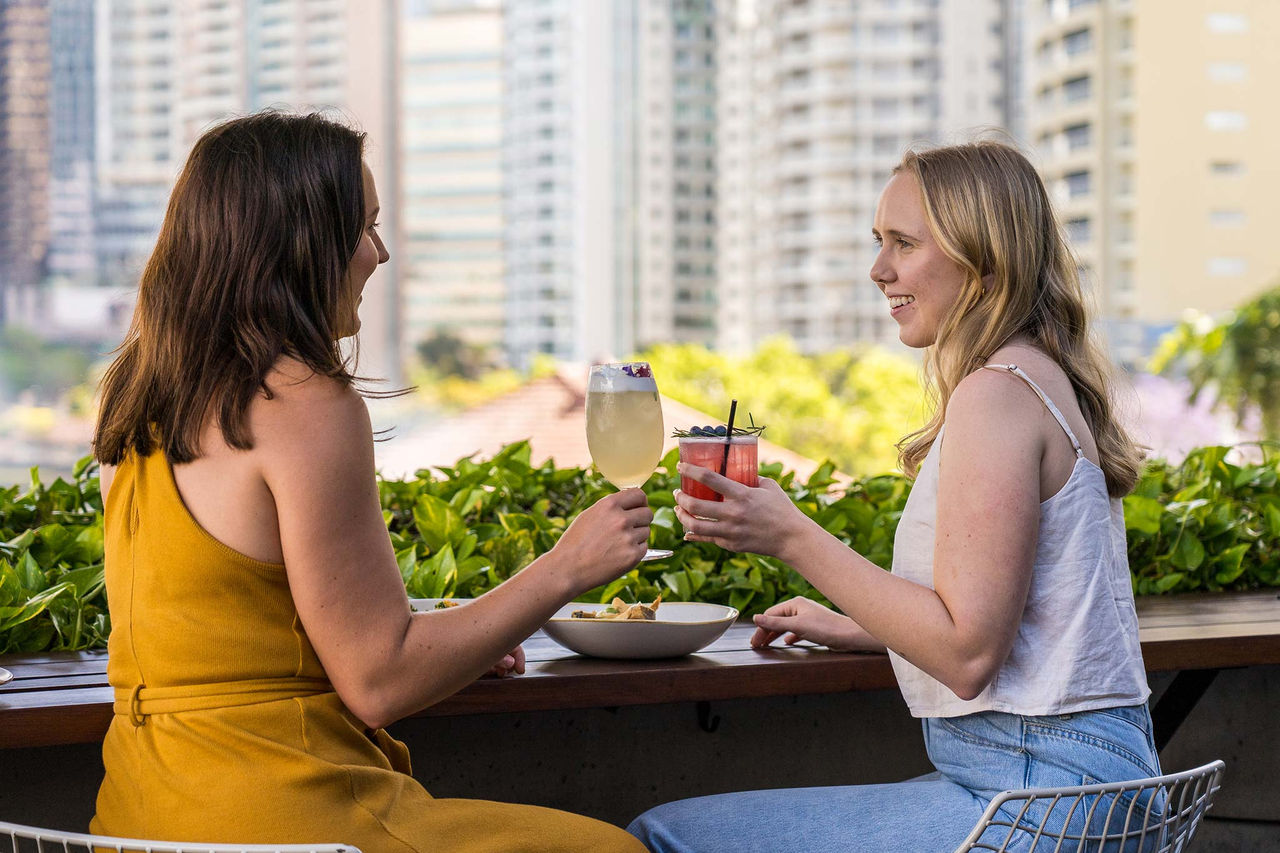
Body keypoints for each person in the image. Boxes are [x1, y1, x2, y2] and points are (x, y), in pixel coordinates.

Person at [90, 111, 650, 852]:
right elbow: (380, 680)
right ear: (300, 246)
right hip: (282, 814)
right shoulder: (305, 403)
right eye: (364, 228)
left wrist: (464, 636)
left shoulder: (137, 392)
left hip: (140, 817)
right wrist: (568, 566)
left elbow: (244, 621)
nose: (379, 255)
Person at [628, 141, 1158, 853]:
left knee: (662, 835)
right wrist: (860, 623)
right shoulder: (1035, 377)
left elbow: (969, 654)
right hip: (1078, 781)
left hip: (1038, 793)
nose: (879, 270)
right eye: (879, 243)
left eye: (903, 244)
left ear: (985, 259)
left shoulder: (996, 395)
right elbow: (1009, 617)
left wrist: (791, 534)